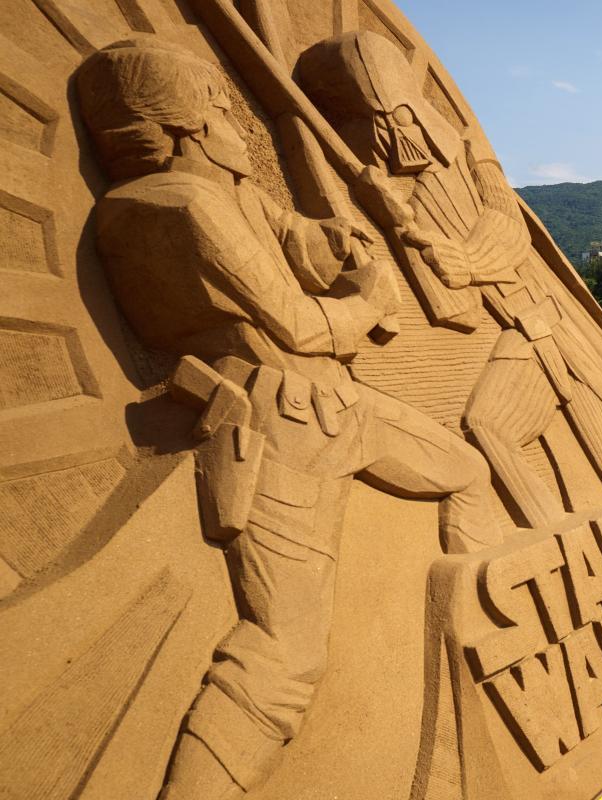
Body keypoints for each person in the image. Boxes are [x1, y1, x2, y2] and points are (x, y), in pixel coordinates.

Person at [78, 38, 502, 800]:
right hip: (277, 432)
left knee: (465, 470)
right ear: (183, 126)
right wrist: (370, 298)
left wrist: (337, 239)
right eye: (214, 102)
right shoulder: (178, 204)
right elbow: (303, 328)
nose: (231, 116)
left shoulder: (220, 191)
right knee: (284, 653)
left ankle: (473, 634)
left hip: (334, 409)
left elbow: (291, 243)